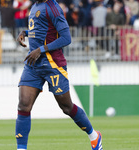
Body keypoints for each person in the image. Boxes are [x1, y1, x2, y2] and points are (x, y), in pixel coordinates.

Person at [15, 0, 103, 150]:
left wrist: (41, 50)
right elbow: (43, 30)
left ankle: (94, 136)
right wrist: (26, 33)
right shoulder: (35, 6)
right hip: (33, 65)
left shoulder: (53, 8)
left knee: (66, 107)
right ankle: (21, 148)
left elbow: (66, 38)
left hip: (53, 65)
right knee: (23, 105)